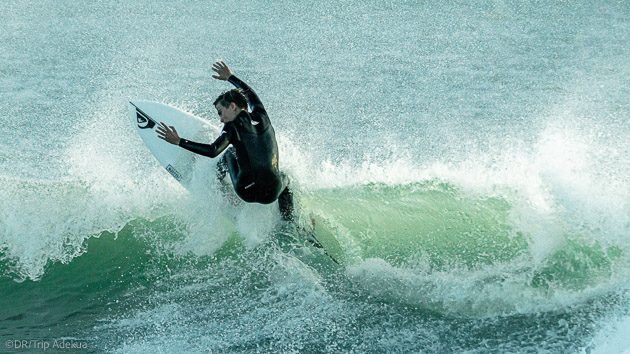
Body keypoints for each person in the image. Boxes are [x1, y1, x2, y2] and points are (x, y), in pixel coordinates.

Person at [156, 61, 294, 220]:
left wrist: (179, 141)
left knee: (229, 153)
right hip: (272, 192)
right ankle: (289, 220)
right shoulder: (262, 115)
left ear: (233, 106)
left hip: (247, 192)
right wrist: (230, 77)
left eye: (221, 113)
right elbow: (250, 93)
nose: (221, 120)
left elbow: (213, 150)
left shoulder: (232, 127)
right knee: (286, 178)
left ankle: (224, 192)